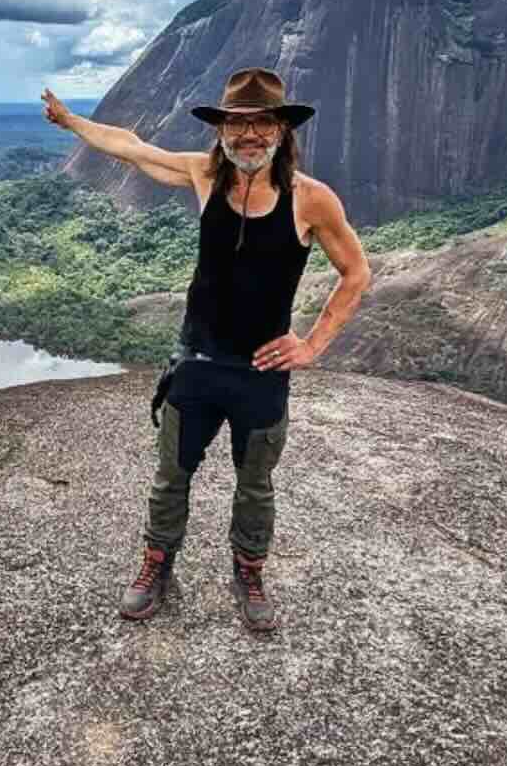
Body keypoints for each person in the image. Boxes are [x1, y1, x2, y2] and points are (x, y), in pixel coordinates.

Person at [42, 67, 371, 634]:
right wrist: (72, 122)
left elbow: (355, 272)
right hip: (197, 360)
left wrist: (313, 344)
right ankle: (157, 565)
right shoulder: (204, 175)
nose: (249, 134)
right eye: (237, 123)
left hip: (260, 373)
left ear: (281, 131)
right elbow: (132, 148)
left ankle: (248, 571)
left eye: (262, 122)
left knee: (256, 482)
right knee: (172, 475)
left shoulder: (312, 200)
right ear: (221, 129)